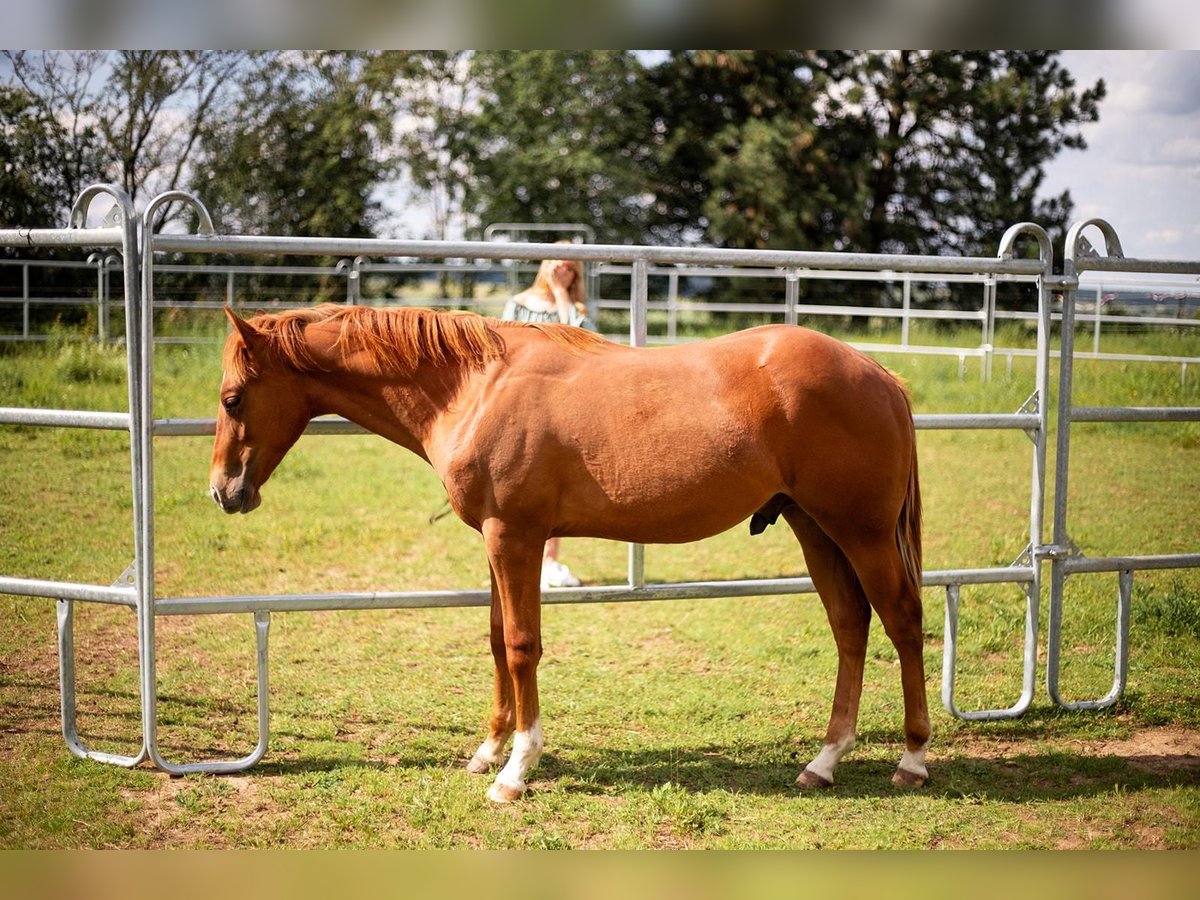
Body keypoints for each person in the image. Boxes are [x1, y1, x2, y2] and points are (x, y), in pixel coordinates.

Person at [500, 251, 594, 589]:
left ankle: (549, 560)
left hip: (562, 401)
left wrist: (560, 294)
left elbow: (583, 342)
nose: (564, 270)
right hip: (521, 401)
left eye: (572, 266)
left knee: (549, 482)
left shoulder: (576, 309)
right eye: (558, 264)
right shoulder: (518, 303)